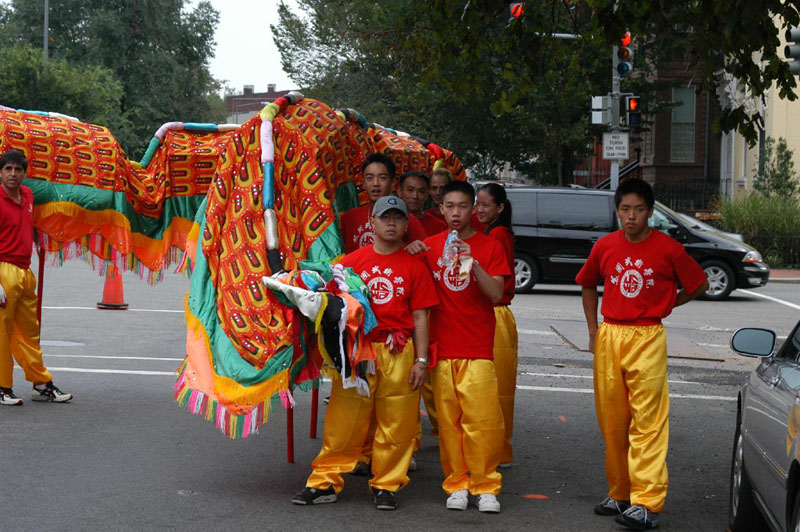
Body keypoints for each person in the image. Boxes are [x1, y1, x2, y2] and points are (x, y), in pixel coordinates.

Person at [575, 179, 708, 530]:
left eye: (638, 209)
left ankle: (646, 502)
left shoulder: (668, 248)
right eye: (625, 209)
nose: (631, 216)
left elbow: (699, 284)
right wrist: (593, 330)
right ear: (617, 211)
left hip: (647, 336)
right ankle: (620, 493)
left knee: (647, 420)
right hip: (610, 334)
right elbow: (587, 283)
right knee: (612, 420)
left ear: (650, 212)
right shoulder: (605, 246)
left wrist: (667, 304)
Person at [293, 196, 438, 510]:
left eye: (398, 218)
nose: (391, 223)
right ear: (372, 222)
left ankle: (387, 484)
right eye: (385, 217)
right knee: (343, 420)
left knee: (397, 422)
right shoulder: (351, 263)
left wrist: (421, 361)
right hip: (358, 351)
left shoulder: (415, 267)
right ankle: (324, 482)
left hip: (398, 350)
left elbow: (420, 318)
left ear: (406, 224)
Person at [421, 180, 510, 513]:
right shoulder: (429, 247)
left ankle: (486, 485)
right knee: (449, 423)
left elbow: (496, 293)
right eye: (450, 206)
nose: (456, 213)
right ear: (441, 209)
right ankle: (457, 483)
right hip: (443, 347)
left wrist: (472, 262)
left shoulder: (489, 245)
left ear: (473, 208)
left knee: (483, 421)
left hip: (477, 347)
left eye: (462, 206)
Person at [0, 150, 73, 406]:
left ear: (24, 173)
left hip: (25, 270)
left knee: (30, 332)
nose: (13, 174)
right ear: (0, 173)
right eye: (8, 169)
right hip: (3, 270)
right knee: (2, 333)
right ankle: (2, 387)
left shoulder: (28, 195)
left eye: (18, 169)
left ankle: (40, 383)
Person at [475, 183, 517, 467]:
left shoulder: (498, 234)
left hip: (495, 312)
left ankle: (497, 450)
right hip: (494, 312)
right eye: (477, 203)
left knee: (495, 387)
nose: (479, 209)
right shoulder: (493, 231)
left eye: (485, 205)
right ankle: (496, 448)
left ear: (499, 208)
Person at [340, 153, 427, 253]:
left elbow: (425, 251)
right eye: (370, 178)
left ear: (392, 182)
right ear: (363, 183)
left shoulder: (406, 219)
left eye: (382, 178)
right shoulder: (350, 217)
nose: (375, 183)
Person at [398, 171, 446, 237]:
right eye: (410, 190)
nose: (415, 196)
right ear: (400, 191)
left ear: (427, 194)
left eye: (421, 191)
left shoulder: (439, 226)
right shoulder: (390, 223)